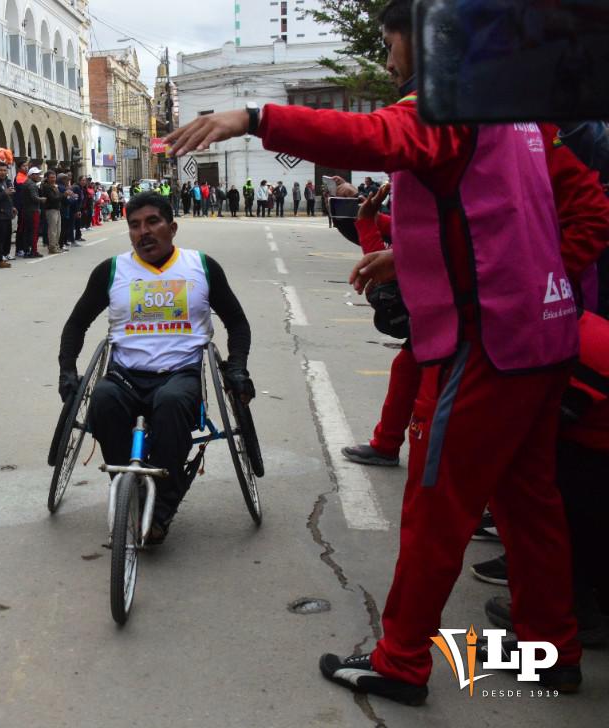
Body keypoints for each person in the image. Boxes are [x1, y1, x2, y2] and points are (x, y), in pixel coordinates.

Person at [166, 0, 582, 704]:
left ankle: (401, 662)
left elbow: (376, 138)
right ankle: (554, 651)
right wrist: (416, 257)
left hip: (487, 348)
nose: (390, 67)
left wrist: (257, 117)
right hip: (543, 335)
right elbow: (497, 211)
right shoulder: (517, 112)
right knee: (529, 504)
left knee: (434, 508)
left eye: (393, 51)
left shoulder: (446, 105)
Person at [58, 192, 253, 544]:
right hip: (125, 375)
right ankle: (127, 489)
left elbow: (237, 323)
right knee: (102, 399)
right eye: (134, 225)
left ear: (172, 227)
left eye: (152, 222)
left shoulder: (201, 266)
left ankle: (161, 510)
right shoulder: (112, 271)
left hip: (180, 373)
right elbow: (76, 325)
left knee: (171, 404)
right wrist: (67, 371)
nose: (143, 232)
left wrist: (237, 367)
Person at [15, 167, 44, 258]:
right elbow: (34, 197)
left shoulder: (26, 183)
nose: (38, 176)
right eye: (37, 174)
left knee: (27, 231)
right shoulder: (31, 184)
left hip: (26, 210)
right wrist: (42, 199)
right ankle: (33, 251)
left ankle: (27, 250)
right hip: (32, 210)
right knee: (34, 232)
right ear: (32, 175)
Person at [40, 170, 63, 255]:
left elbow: (57, 197)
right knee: (52, 229)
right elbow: (53, 198)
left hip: (57, 209)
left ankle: (56, 245)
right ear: (47, 178)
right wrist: (63, 195)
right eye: (51, 177)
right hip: (51, 209)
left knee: (58, 229)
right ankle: (52, 247)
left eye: (54, 177)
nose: (53, 179)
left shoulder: (54, 186)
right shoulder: (46, 187)